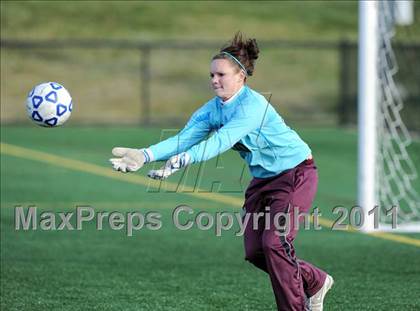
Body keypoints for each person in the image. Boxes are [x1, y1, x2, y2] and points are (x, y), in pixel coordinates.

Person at [110, 32, 333, 311]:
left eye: (221, 75)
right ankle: (315, 281)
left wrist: (186, 159)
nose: (214, 80)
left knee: (275, 243)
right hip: (263, 180)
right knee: (256, 252)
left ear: (241, 76)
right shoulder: (212, 109)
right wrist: (145, 155)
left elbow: (222, 140)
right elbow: (184, 138)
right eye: (212, 75)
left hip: (295, 174)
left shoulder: (253, 106)